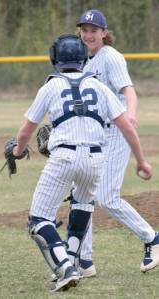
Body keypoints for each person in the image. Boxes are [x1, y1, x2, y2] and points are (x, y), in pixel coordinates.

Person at [12, 33, 152, 293]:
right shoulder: (98, 85)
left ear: (55, 58)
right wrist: (141, 160)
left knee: (38, 220)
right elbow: (127, 128)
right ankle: (77, 260)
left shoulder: (50, 86)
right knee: (82, 203)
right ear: (82, 58)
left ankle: (65, 267)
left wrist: (18, 150)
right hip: (97, 158)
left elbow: (25, 131)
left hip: (64, 156)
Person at [64, 9, 159, 277]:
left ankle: (153, 238)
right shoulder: (86, 60)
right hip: (96, 135)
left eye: (94, 29)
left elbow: (128, 89)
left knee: (106, 197)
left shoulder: (111, 57)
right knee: (82, 194)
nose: (89, 34)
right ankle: (84, 261)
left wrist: (131, 112)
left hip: (116, 133)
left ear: (104, 33)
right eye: (84, 29)